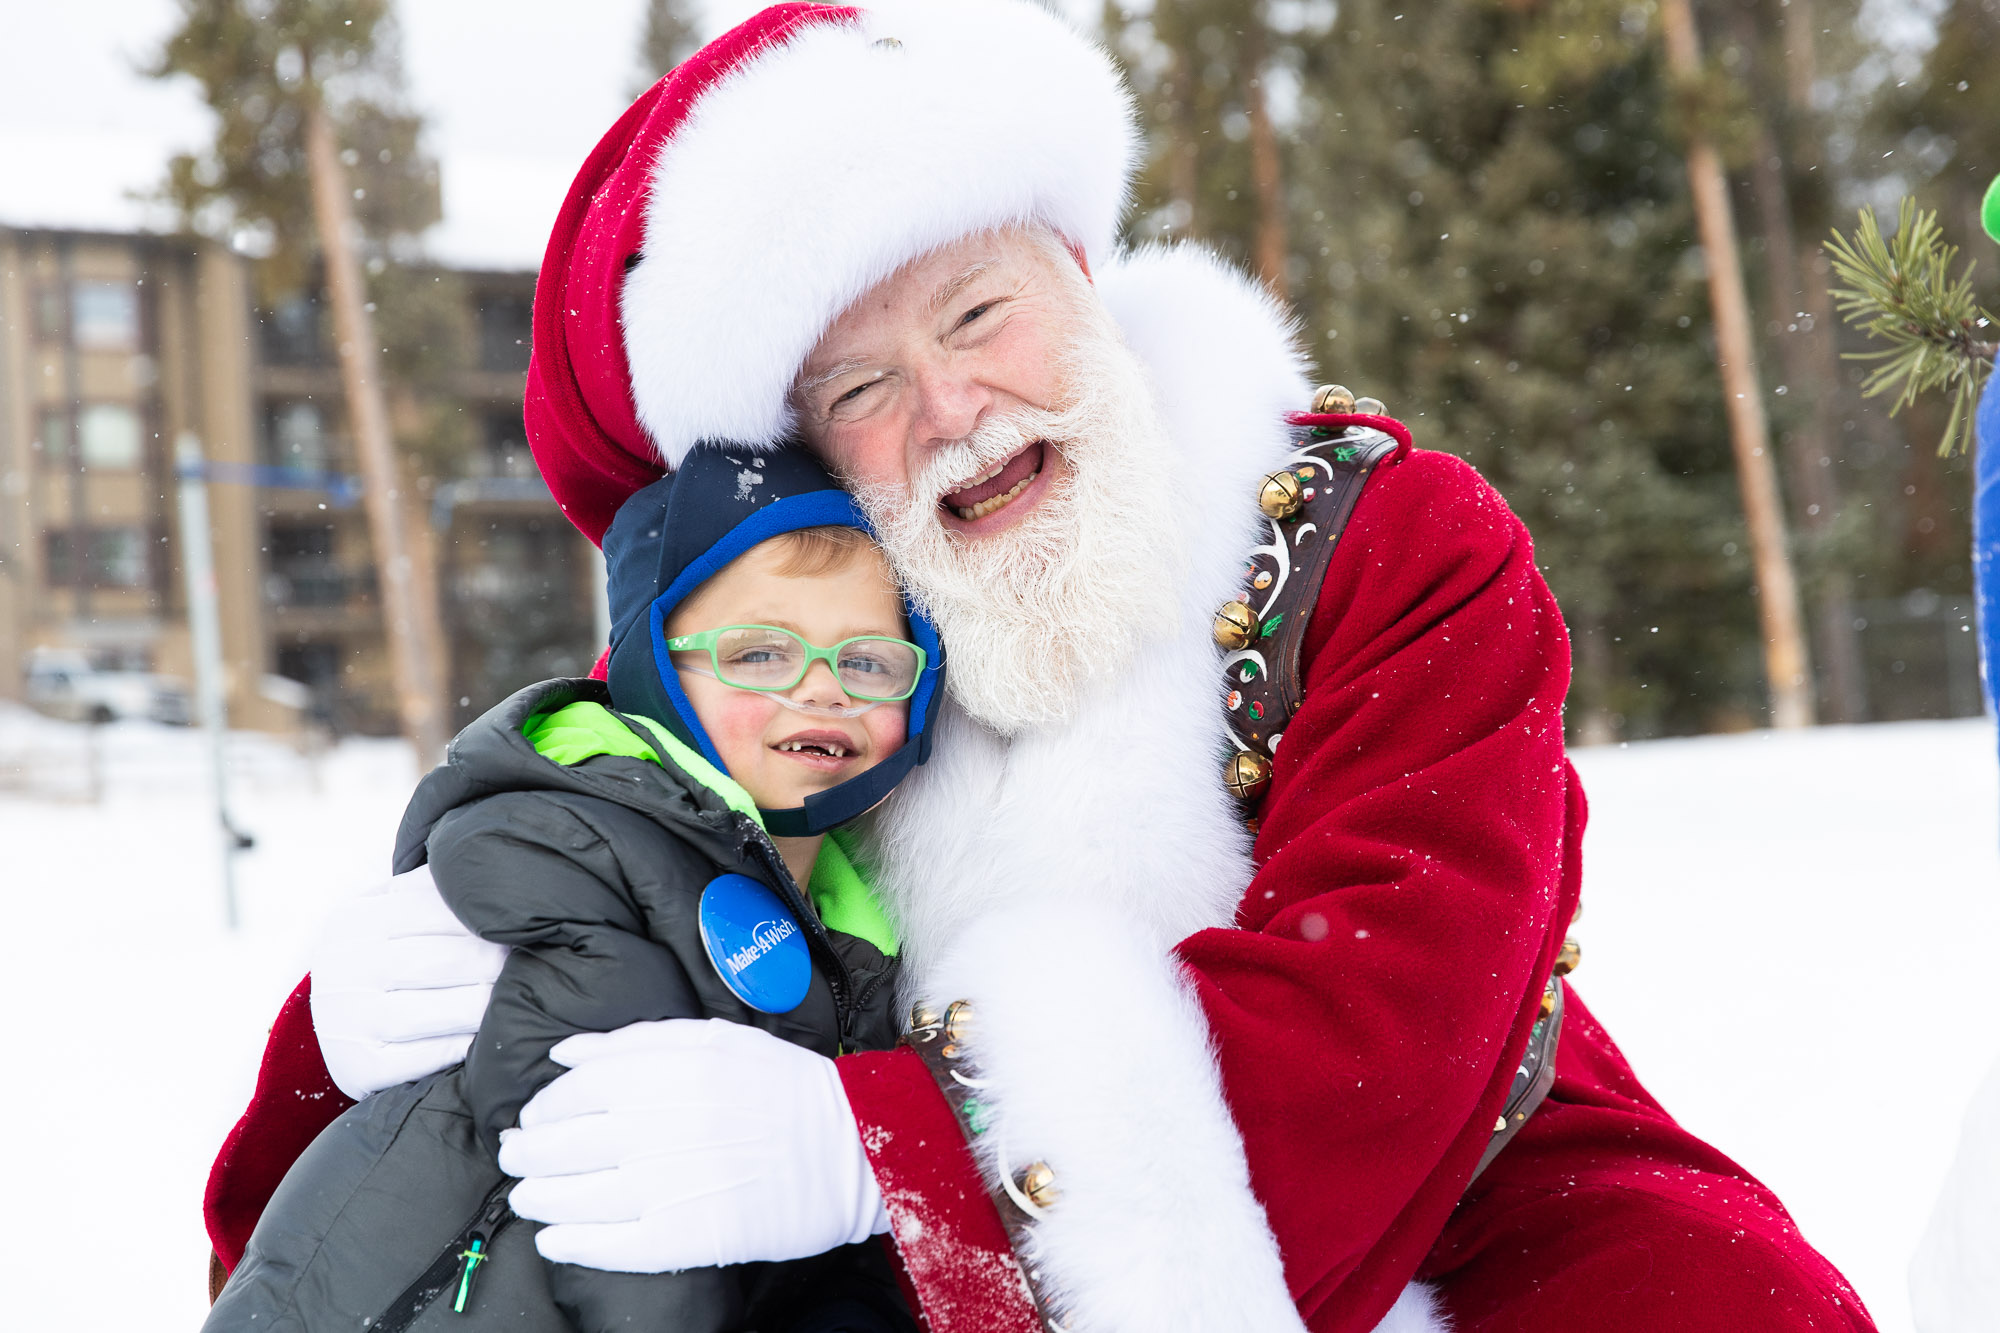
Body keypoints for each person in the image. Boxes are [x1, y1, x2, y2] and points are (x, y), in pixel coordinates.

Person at [205, 2, 1878, 1330]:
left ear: (1078, 271)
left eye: (977, 314)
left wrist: (878, 1151)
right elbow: (577, 868)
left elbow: (1394, 1015)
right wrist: (347, 1026)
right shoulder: (794, 662)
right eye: (859, 388)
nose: (950, 410)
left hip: (1492, 1223)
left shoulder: (1389, 546)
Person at [206, 446, 939, 1332]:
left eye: (868, 662)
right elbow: (624, 1216)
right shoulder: (582, 852)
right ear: (653, 671)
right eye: (758, 652)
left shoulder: (862, 920)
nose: (822, 689)